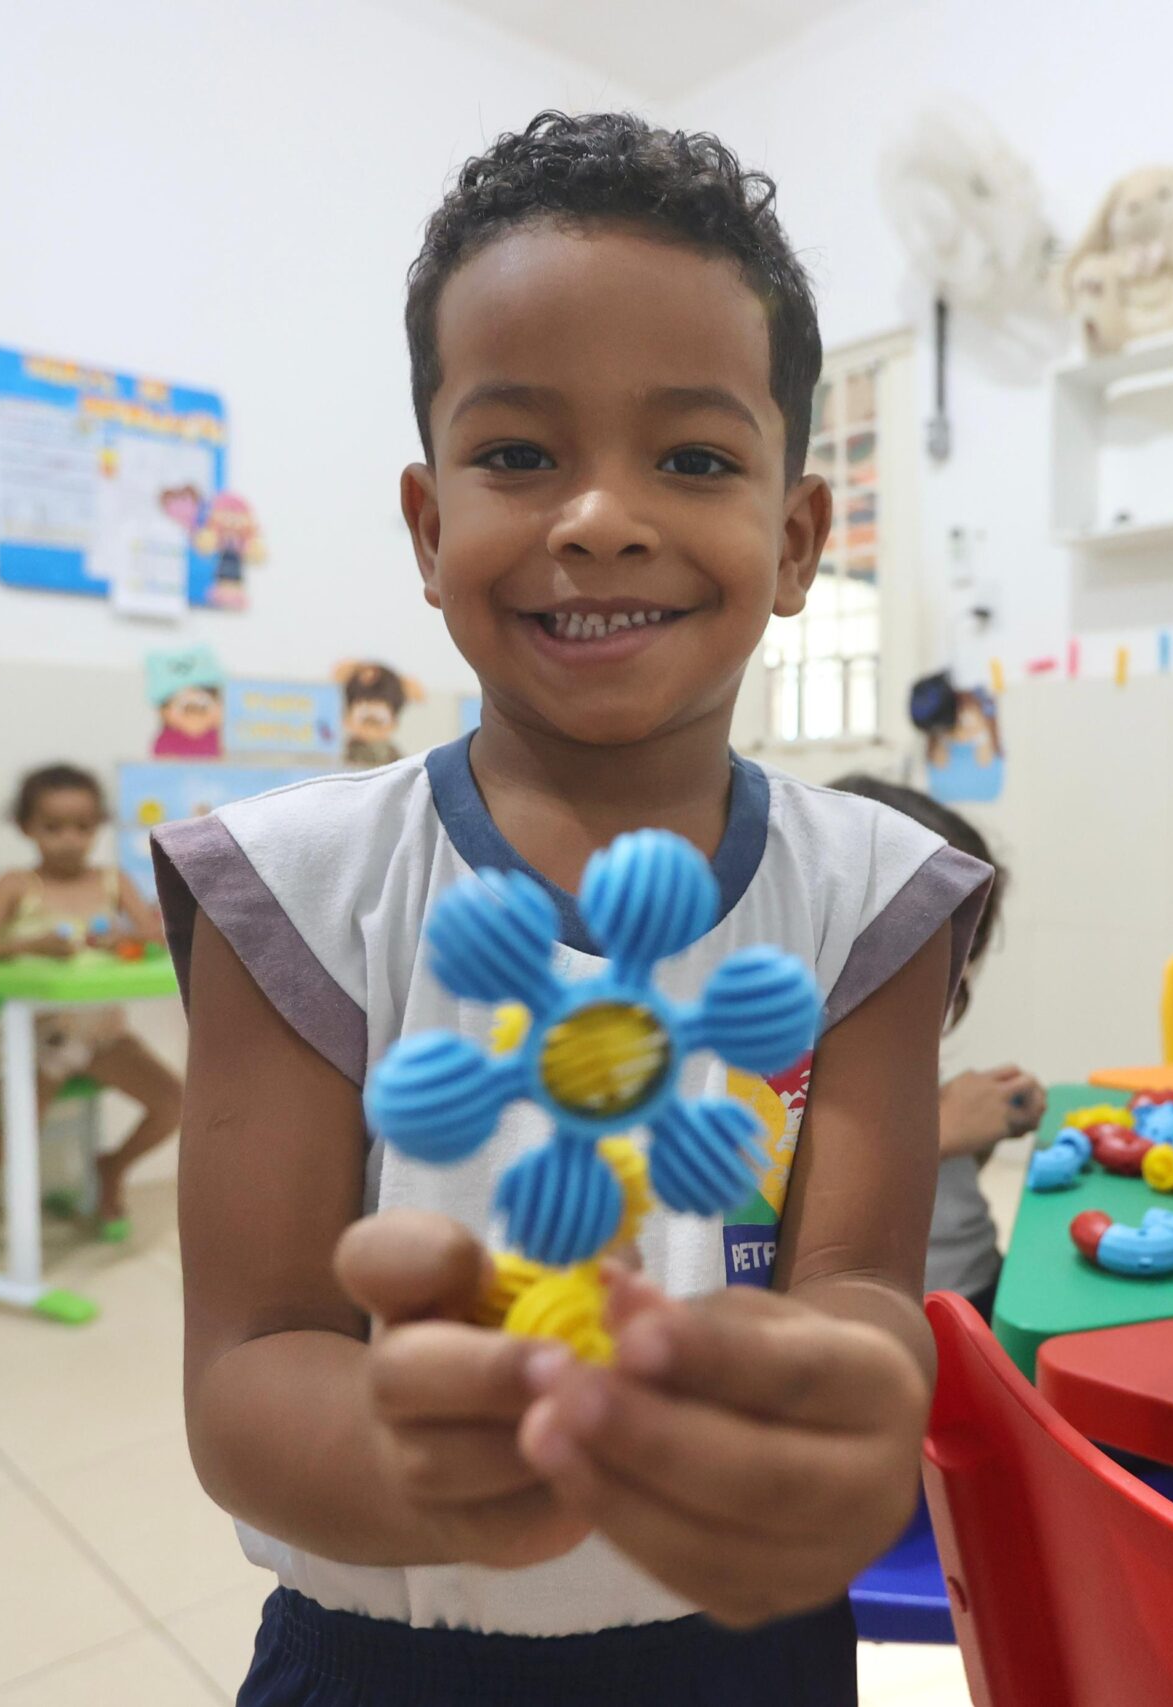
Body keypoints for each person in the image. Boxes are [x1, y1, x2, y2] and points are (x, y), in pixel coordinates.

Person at [153, 112, 991, 1705]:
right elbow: (251, 1358)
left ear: (799, 535)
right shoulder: (304, 890)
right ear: (427, 523)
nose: (600, 516)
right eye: (520, 453)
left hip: (750, 1648)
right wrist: (435, 1458)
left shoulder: (874, 900)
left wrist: (848, 1395)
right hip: (386, 1656)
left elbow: (862, 1284)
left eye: (693, 457)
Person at [831, 775, 1040, 1323]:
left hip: (981, 1289)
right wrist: (946, 1130)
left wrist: (984, 1128)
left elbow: (933, 1197)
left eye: (959, 966)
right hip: (917, 1318)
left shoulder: (910, 1060)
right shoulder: (790, 1073)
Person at [0, 764, 180, 1238]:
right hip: (37, 1038)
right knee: (13, 1135)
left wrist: (126, 936)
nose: (70, 840)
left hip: (102, 1035)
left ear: (98, 827)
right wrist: (31, 945)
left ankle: (112, 1168)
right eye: (53, 827)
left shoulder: (114, 881)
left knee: (173, 1102)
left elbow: (157, 935)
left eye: (83, 827)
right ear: (27, 828)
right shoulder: (16, 883)